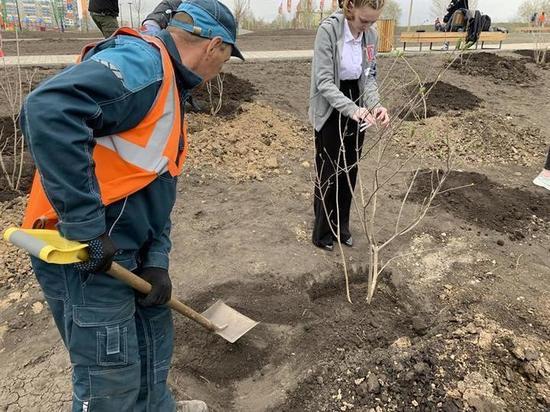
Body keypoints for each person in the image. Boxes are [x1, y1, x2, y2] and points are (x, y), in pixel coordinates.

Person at [19, 0, 243, 410]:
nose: (218, 74)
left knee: (152, 346)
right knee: (111, 379)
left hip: (131, 253)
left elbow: (155, 182)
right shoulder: (145, 66)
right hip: (86, 252)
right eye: (225, 60)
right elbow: (48, 109)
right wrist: (86, 227)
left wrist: (156, 258)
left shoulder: (171, 86)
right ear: (214, 46)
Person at [309, 0, 390, 251]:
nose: (367, 27)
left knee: (349, 168)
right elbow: (323, 81)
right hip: (331, 102)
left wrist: (376, 105)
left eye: (373, 21)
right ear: (351, 7)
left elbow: (369, 77)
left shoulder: (371, 35)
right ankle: (323, 231)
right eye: (363, 21)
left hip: (357, 101)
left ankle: (341, 226)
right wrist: (352, 109)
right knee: (330, 169)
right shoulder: (329, 31)